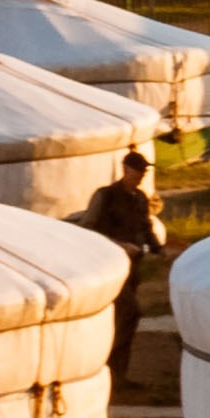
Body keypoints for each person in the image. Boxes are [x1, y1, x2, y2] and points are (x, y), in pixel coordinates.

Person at [76, 160, 172, 402]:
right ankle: (104, 370)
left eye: (144, 172)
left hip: (133, 267)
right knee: (129, 312)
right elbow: (87, 229)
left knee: (122, 320)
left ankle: (119, 376)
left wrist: (160, 250)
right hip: (108, 267)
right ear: (125, 170)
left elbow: (146, 227)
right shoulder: (106, 196)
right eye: (137, 171)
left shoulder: (139, 198)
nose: (141, 176)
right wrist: (119, 245)